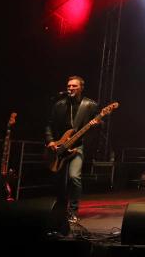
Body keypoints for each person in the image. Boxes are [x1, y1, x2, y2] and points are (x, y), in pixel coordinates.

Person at [44, 75, 102, 224]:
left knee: (74, 177)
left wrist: (97, 123)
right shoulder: (59, 104)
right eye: (69, 86)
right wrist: (51, 141)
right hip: (60, 146)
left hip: (78, 146)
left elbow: (100, 122)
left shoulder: (89, 105)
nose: (70, 88)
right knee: (59, 180)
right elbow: (49, 124)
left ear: (81, 88)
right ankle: (59, 210)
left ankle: (73, 211)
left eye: (74, 86)